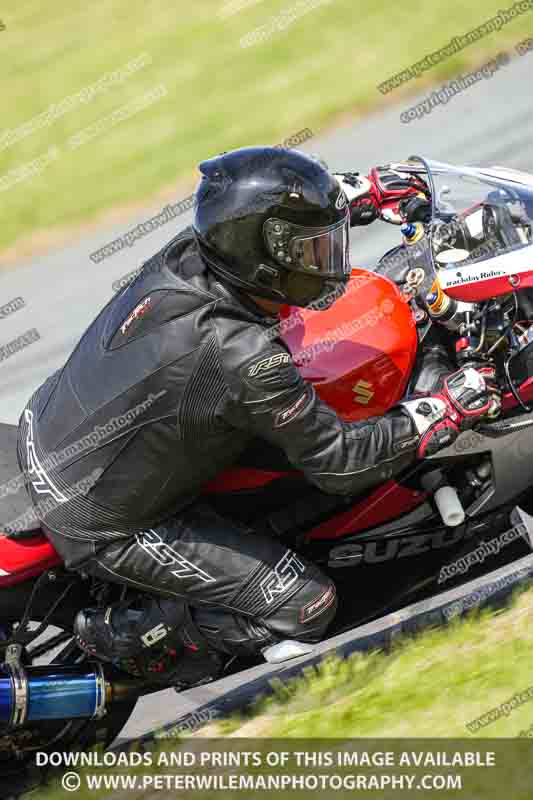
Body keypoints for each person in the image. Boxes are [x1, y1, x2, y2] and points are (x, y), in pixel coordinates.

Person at [16, 147, 494, 686]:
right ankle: (132, 636)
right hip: (99, 518)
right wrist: (443, 409)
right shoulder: (242, 352)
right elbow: (340, 463)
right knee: (307, 605)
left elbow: (257, 213)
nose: (330, 261)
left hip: (49, 424)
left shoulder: (193, 255)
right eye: (314, 251)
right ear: (263, 260)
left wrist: (361, 195)